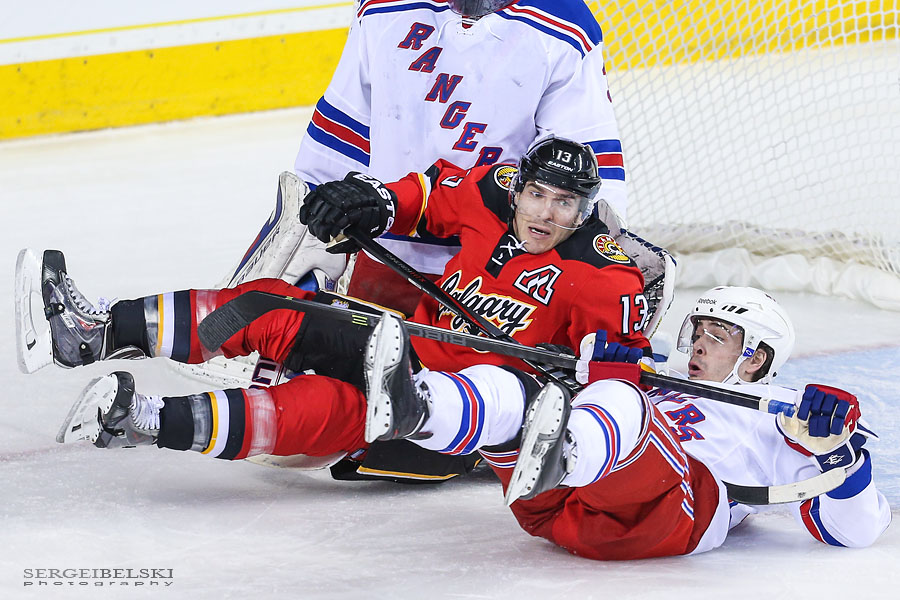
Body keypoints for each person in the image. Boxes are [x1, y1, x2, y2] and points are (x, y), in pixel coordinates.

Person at [21, 137, 650, 484]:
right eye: (537, 194)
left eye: (564, 203)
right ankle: (96, 332)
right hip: (404, 341)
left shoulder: (605, 277)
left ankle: (144, 419)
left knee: (318, 409)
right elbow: (428, 197)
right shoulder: (496, 191)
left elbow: (615, 385)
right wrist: (373, 200)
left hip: (450, 415)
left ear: (587, 208)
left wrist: (579, 407)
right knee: (267, 305)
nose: (544, 213)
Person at [364, 286, 891, 558]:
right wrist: (587, 374)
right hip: (558, 511)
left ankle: (568, 454)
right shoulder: (658, 376)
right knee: (515, 388)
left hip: (673, 520)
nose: (699, 344)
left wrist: (839, 455)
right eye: (698, 329)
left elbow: (858, 532)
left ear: (754, 357)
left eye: (720, 335)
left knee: (622, 399)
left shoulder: (785, 411)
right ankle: (416, 410)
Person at [231, 0, 630, 316]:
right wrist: (316, 219)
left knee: (462, 406)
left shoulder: (565, 26)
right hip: (383, 247)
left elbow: (583, 171)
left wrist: (594, 267)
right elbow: (345, 128)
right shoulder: (384, 7)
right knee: (354, 395)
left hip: (496, 275)